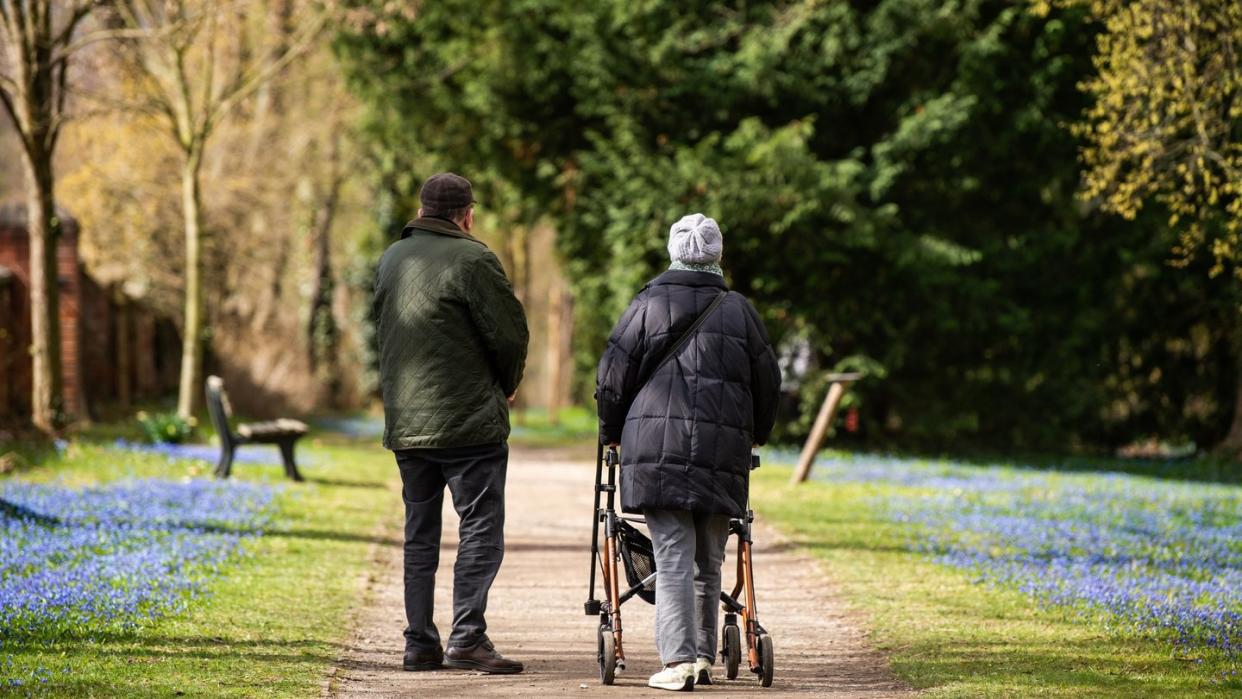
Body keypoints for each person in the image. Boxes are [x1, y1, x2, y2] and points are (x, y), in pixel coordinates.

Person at [595, 213, 781, 691]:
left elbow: (613, 377)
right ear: (717, 255)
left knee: (672, 552)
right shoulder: (740, 311)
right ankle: (699, 656)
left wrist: (611, 432)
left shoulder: (647, 303)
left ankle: (679, 662)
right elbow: (768, 381)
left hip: (657, 448)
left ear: (674, 251)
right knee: (709, 557)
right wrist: (757, 433)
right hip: (723, 451)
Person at [373, 172, 529, 675]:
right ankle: (466, 638)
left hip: (409, 424)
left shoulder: (391, 259)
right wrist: (506, 383)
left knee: (419, 533)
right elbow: (509, 334)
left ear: (421, 213)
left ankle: (419, 642)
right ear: (467, 215)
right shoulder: (475, 258)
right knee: (480, 528)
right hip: (469, 426)